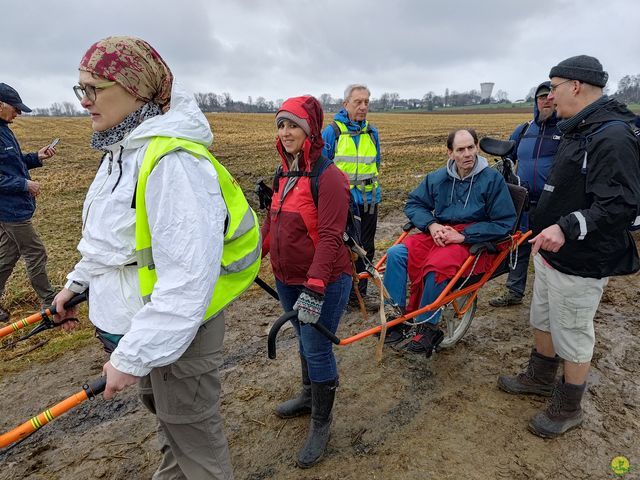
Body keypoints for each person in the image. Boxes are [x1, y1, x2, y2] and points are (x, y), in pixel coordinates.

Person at [52, 36, 260, 479]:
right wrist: (78, 284)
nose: (84, 101)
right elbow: (111, 240)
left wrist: (130, 357)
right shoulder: (121, 151)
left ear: (136, 89)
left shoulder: (173, 164)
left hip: (180, 332)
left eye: (94, 89)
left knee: (194, 437)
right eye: (80, 89)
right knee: (172, 420)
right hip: (150, 328)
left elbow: (187, 283)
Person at [498, 55, 640, 439]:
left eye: (554, 87)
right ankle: (540, 376)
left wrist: (565, 227)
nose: (549, 96)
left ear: (575, 86)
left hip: (581, 259)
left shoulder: (612, 136)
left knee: (574, 331)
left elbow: (620, 204)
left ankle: (568, 406)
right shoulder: (579, 129)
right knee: (542, 319)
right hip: (550, 253)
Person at [262, 95, 352, 468]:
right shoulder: (284, 174)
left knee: (317, 349)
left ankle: (321, 421)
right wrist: (251, 258)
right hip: (287, 278)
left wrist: (314, 288)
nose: (285, 132)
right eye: (281, 125)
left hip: (325, 282)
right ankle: (306, 396)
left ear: (310, 130)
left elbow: (331, 238)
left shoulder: (328, 177)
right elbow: (272, 226)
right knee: (303, 340)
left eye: (293, 125)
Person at [382, 129, 517, 355]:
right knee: (396, 253)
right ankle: (395, 317)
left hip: (472, 237)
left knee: (439, 266)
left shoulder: (492, 180)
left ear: (476, 148)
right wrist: (432, 225)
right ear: (450, 153)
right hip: (439, 231)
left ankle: (427, 326)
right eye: (460, 149)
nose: (467, 154)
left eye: (471, 147)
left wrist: (464, 236)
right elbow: (414, 203)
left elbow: (504, 222)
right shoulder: (438, 178)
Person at [490, 81, 561, 307]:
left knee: (553, 249)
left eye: (549, 96)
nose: (545, 101)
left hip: (553, 203)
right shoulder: (523, 130)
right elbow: (508, 157)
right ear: (536, 102)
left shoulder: (566, 131)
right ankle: (514, 291)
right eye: (541, 97)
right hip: (525, 203)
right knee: (519, 245)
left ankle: (554, 296)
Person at [0, 83, 57, 322]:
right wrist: (24, 185)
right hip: (10, 211)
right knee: (35, 251)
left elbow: (11, 163)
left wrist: (36, 157)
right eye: (15, 108)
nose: (19, 113)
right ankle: (50, 300)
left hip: (11, 208)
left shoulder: (3, 129)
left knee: (7, 254)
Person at [322, 84, 381, 301]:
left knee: (366, 248)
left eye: (366, 102)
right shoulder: (332, 133)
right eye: (358, 102)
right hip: (342, 203)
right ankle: (341, 295)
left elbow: (377, 164)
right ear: (346, 104)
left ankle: (360, 295)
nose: (363, 106)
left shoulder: (372, 133)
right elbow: (322, 168)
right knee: (341, 250)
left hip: (369, 199)